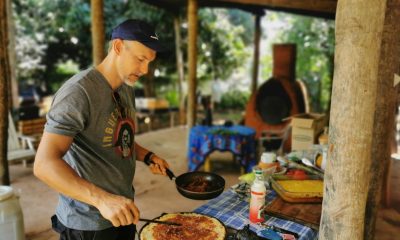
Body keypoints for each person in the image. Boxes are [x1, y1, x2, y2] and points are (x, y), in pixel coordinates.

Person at [33, 19, 170, 240]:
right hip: (87, 223)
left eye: (150, 61)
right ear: (117, 46)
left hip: (122, 210)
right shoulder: (78, 93)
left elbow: (117, 138)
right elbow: (44, 165)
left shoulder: (126, 88)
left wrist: (147, 156)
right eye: (140, 59)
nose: (145, 69)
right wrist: (102, 200)